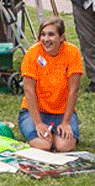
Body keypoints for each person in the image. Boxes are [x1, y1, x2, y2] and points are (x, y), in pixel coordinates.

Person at [18, 18, 83, 152]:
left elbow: (73, 91)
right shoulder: (32, 53)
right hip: (35, 112)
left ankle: (55, 132)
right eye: (43, 34)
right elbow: (29, 90)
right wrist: (38, 123)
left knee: (64, 146)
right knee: (44, 145)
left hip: (62, 113)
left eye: (51, 34)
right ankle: (47, 133)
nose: (46, 39)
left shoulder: (73, 53)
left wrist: (65, 123)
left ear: (62, 38)